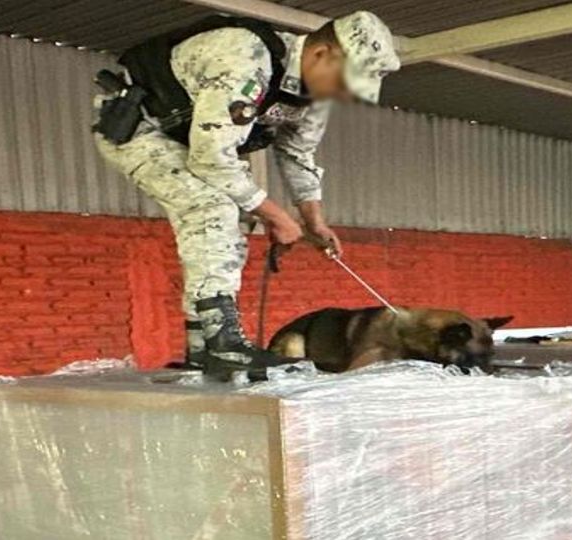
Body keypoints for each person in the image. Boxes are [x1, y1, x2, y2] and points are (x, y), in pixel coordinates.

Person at [93, 12, 401, 378]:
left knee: (226, 219)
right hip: (142, 127)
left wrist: (314, 221)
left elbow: (297, 153)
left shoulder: (315, 93)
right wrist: (278, 216)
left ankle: (203, 348)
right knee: (212, 207)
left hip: (190, 141)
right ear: (322, 55)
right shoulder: (245, 56)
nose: (342, 95)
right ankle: (223, 344)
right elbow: (211, 158)